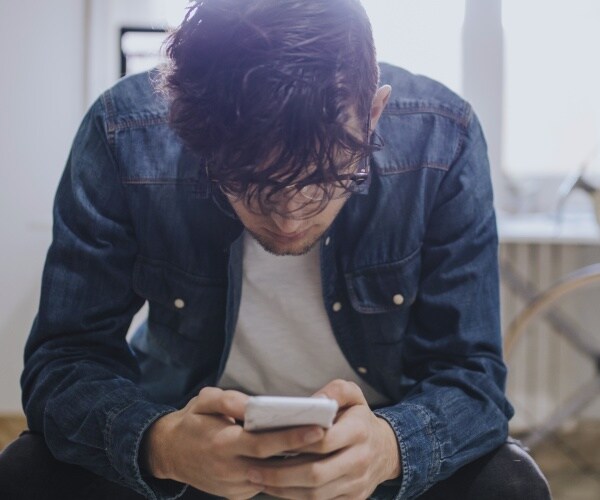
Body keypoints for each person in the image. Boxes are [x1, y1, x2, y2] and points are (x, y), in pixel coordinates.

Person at [0, 0, 551, 499]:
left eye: (325, 176)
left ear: (375, 112)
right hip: (188, 450)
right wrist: (162, 444)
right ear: (191, 135)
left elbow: (473, 380)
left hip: (375, 454)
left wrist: (390, 447)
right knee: (26, 471)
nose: (290, 216)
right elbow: (62, 362)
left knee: (510, 484)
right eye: (250, 183)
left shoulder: (442, 138)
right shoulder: (124, 133)